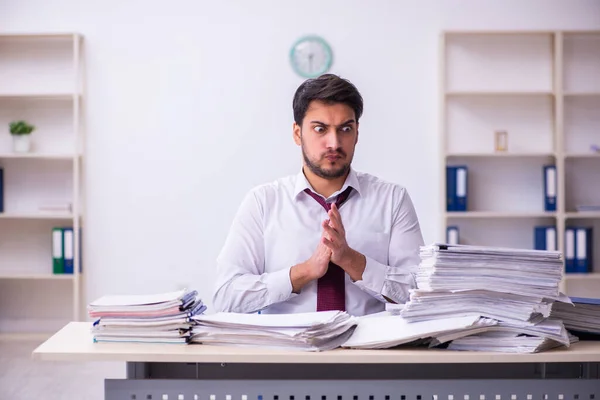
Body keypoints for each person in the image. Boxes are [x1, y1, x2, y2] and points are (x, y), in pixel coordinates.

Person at [212, 73, 424, 316]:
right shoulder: (263, 202)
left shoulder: (392, 200)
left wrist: (352, 261)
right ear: (297, 133)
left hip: (368, 352)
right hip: (289, 351)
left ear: (357, 133)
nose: (334, 143)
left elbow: (420, 292)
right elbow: (226, 296)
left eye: (345, 128)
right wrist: (303, 273)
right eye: (320, 129)